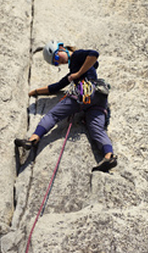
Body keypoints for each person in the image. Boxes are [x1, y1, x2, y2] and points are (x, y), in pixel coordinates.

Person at [15, 41, 117, 172]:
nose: (59, 62)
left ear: (61, 48)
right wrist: (35, 92)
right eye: (56, 63)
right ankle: (109, 156)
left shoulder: (77, 56)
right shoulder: (73, 71)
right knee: (96, 129)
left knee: (53, 115)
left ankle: (33, 139)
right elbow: (55, 87)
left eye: (57, 58)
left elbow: (94, 54)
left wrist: (78, 74)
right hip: (99, 98)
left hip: (85, 92)